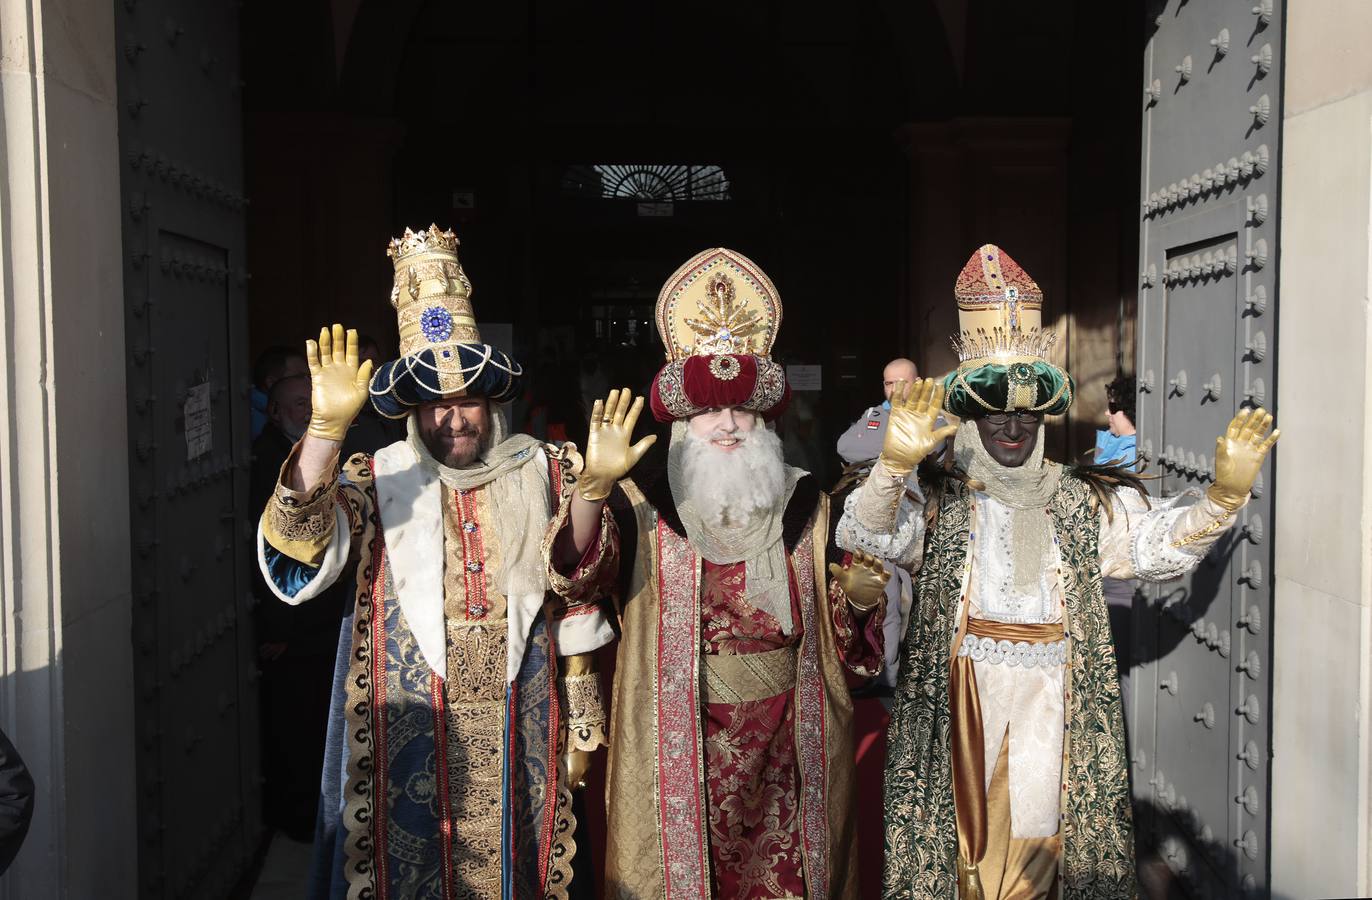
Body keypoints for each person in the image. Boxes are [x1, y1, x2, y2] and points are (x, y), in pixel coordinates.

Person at [837, 244, 1279, 899]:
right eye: (997, 411)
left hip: (1052, 699)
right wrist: (894, 466)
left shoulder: (1078, 495)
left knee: (1043, 850)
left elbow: (1153, 543)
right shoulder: (941, 493)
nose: (1012, 426)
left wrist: (1220, 499)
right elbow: (868, 532)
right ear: (975, 414)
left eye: (1026, 412)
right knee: (962, 851)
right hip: (964, 697)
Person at [256, 226, 614, 900]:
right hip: (409, 722)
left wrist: (586, 714)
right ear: (414, 413)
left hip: (524, 715)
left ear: (492, 404)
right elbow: (294, 557)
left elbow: (581, 586)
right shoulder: (373, 476)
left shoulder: (543, 468)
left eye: (468, 402)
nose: (454, 420)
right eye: (436, 405)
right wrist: (323, 434)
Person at [547, 248, 891, 899]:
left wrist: (862, 605)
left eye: (742, 411)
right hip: (680, 737)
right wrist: (592, 489)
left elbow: (846, 642)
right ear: (683, 419)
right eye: (710, 412)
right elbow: (577, 580)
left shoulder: (808, 504)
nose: (728, 425)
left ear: (765, 419)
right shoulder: (645, 502)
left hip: (792, 738)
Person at [250, 372, 347, 841]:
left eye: (312, 402)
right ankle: (295, 817)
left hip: (315, 627)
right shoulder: (268, 458)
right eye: (296, 403)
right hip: (291, 629)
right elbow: (271, 549)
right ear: (273, 411)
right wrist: (278, 627)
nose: (306, 410)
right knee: (294, 729)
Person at [837, 357, 919, 465]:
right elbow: (844, 446)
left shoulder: (932, 416)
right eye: (889, 383)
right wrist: (896, 447)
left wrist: (866, 445)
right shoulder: (872, 414)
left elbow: (925, 453)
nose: (894, 389)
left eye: (901, 383)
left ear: (917, 383)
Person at [250, 346, 308, 441]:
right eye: (299, 377)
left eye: (308, 377)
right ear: (271, 383)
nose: (308, 382)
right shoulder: (252, 421)